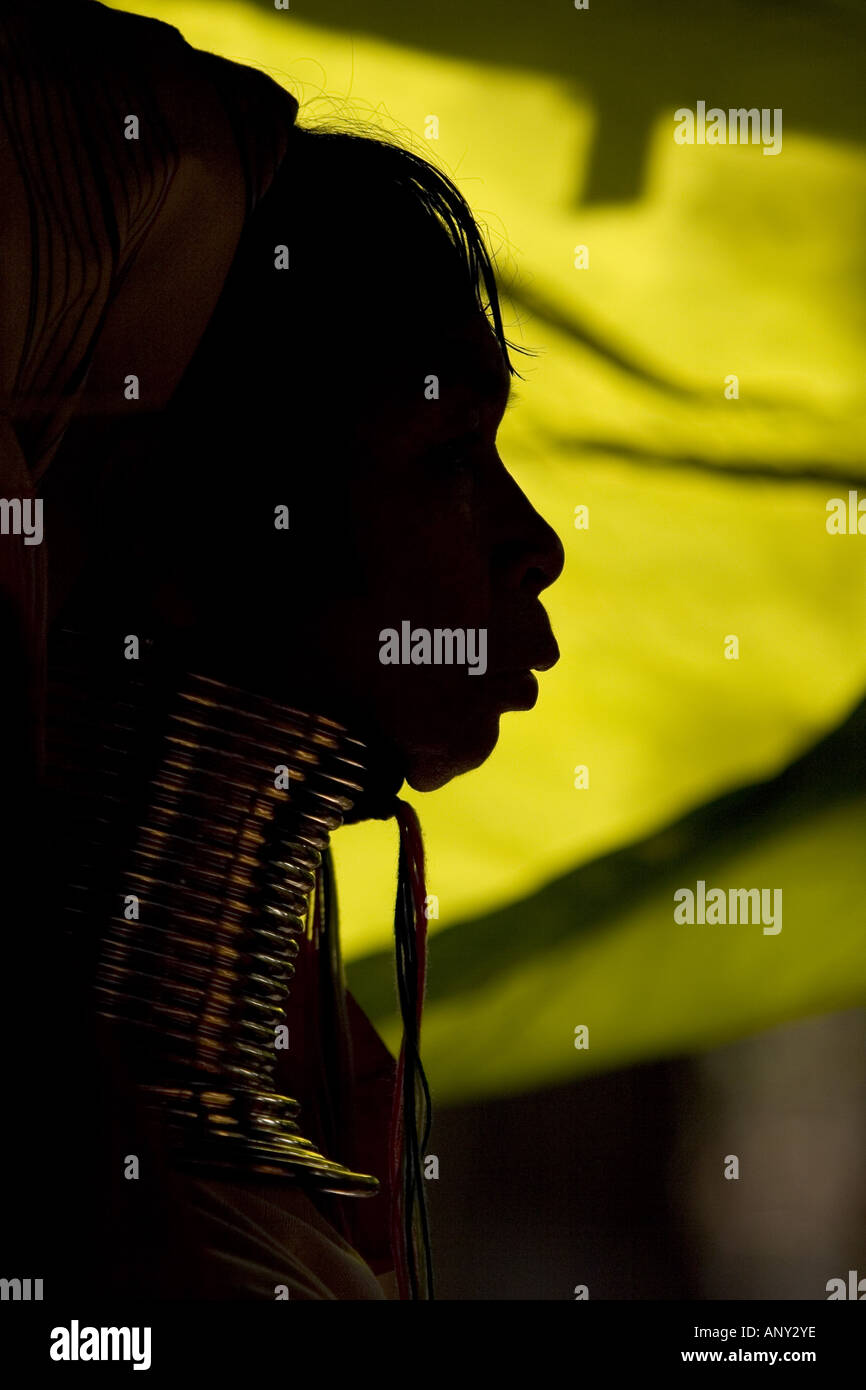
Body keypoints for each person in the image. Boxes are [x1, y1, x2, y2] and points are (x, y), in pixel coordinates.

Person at [1, 0, 563, 1300]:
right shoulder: (97, 1216)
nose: (534, 544)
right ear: (185, 537)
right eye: (442, 458)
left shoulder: (292, 1133)